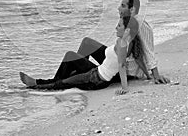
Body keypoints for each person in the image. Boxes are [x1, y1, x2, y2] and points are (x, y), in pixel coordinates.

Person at [20, 16, 150, 94]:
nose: (116, 27)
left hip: (95, 80)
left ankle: (36, 86)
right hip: (95, 74)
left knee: (63, 82)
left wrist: (125, 88)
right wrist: (149, 76)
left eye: (119, 25)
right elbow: (138, 59)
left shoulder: (122, 44)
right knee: (66, 78)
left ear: (127, 30)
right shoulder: (129, 42)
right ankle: (40, 83)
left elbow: (121, 65)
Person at [75, 0, 169, 84]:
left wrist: (155, 75)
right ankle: (76, 73)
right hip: (118, 60)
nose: (119, 8)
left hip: (125, 71)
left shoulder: (141, 24)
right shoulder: (128, 21)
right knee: (87, 43)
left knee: (81, 54)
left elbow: (148, 50)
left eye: (123, 6)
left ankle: (75, 76)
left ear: (132, 9)